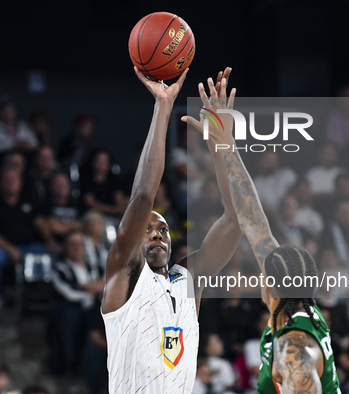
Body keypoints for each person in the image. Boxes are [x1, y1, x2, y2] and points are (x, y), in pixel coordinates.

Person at [101, 67, 242, 394]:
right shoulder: (123, 275)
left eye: (162, 228)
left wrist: (223, 148)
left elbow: (236, 219)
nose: (156, 233)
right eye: (147, 228)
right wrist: (163, 106)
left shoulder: (188, 280)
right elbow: (143, 195)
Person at [198, 78, 340, 393]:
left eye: (265, 272)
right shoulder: (295, 310)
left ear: (271, 285)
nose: (261, 273)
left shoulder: (295, 349)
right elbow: (253, 218)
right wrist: (225, 143)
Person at [0, 167, 54, 309]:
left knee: (53, 255)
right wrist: (11, 250)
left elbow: (39, 222)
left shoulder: (29, 200)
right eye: (7, 180)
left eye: (14, 179)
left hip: (31, 247)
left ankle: (48, 297)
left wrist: (50, 241)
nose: (11, 182)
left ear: (20, 182)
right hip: (4, 249)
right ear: (0, 183)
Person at [48, 230, 104, 375]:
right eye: (72, 244)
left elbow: (105, 284)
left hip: (95, 307)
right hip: (71, 309)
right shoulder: (60, 269)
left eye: (79, 244)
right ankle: (69, 362)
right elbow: (69, 294)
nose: (76, 247)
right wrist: (91, 290)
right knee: (71, 316)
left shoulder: (94, 267)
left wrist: (82, 286)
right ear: (66, 247)